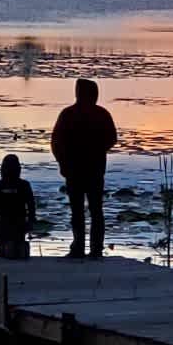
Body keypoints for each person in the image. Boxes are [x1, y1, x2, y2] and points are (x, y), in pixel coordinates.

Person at [51, 78, 117, 258]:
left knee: (92, 210)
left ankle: (94, 248)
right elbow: (57, 142)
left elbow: (111, 138)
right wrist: (62, 162)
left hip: (91, 169)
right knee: (82, 211)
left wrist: (96, 149)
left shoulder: (99, 114)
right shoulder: (69, 114)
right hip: (77, 169)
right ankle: (80, 247)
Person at [0, 154, 36, 259]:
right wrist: (31, 221)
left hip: (15, 223)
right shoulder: (23, 185)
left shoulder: (0, 185)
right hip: (7, 224)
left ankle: (12, 248)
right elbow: (31, 206)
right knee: (8, 248)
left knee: (10, 249)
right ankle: (11, 248)